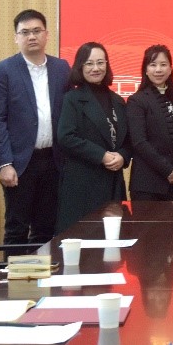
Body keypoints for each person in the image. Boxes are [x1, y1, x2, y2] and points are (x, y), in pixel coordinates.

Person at [0, 9, 70, 245]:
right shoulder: (3, 70)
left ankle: (42, 270)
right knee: (17, 228)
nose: (31, 36)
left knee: (46, 228)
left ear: (46, 35)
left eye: (36, 31)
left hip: (53, 160)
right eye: (24, 32)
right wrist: (5, 163)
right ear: (16, 37)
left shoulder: (62, 68)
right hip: (20, 162)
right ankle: (14, 271)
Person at [55, 42, 131, 232]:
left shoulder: (117, 100)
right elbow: (66, 136)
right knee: (84, 238)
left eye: (100, 62)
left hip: (113, 183)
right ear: (80, 67)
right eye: (89, 63)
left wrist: (123, 156)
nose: (96, 68)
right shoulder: (72, 99)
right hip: (82, 183)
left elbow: (128, 140)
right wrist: (101, 156)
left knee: (113, 241)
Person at [126, 44, 173, 202]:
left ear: (170, 69)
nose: (158, 70)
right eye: (153, 65)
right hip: (146, 186)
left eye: (163, 64)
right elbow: (139, 142)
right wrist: (168, 170)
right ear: (146, 70)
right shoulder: (137, 101)